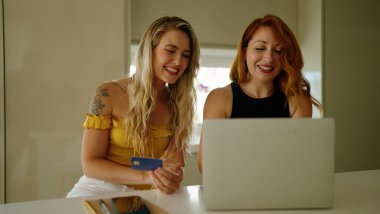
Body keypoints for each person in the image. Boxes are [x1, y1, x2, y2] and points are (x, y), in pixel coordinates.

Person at [67, 16, 200, 197]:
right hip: (97, 189)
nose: (178, 62)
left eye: (186, 55)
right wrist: (147, 177)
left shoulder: (179, 104)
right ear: (149, 50)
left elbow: (173, 167)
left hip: (148, 197)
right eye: (170, 51)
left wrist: (171, 177)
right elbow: (90, 164)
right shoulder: (108, 93)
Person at [197, 14, 323, 173]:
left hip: (282, 193)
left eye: (278, 51)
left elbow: (298, 163)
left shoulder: (298, 101)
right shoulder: (220, 99)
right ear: (244, 52)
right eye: (260, 48)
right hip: (233, 193)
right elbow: (206, 166)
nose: (269, 58)